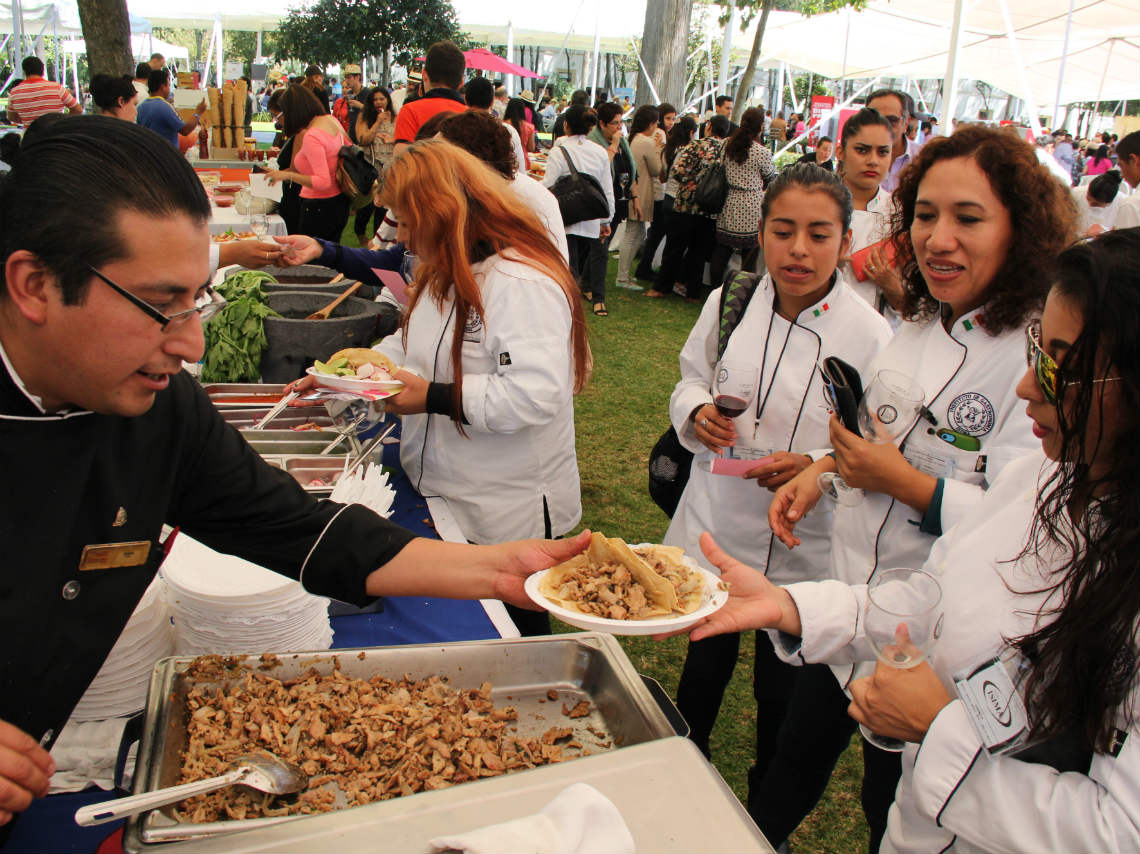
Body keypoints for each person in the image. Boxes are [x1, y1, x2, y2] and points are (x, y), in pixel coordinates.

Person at [0, 117, 593, 830]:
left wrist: (495, 571)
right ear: (34, 285)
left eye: (196, 301)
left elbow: (296, 528)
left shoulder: (162, 411)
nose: (190, 341)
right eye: (160, 306)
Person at [688, 227, 1140, 854]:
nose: (1028, 387)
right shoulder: (1042, 480)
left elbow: (1118, 831)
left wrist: (937, 730)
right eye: (1041, 351)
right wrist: (792, 605)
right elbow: (926, 598)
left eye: (1063, 366)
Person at [760, 125, 1077, 851]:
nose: (938, 239)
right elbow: (879, 434)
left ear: (1020, 228)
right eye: (926, 215)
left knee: (896, 803)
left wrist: (907, 485)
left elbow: (1027, 519)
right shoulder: (920, 324)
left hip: (928, 642)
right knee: (786, 774)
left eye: (968, 218)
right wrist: (824, 465)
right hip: (850, 600)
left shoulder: (1037, 358)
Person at [292, 140, 590, 636]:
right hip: (440, 493)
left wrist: (430, 397)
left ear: (445, 212)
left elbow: (534, 395)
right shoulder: (442, 270)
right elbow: (411, 344)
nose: (403, 239)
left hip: (502, 507)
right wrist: (354, 368)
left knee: (509, 631)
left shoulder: (520, 283)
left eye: (408, 223)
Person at [668, 163, 892, 806]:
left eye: (819, 234)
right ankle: (686, 758)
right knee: (705, 653)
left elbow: (878, 444)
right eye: (784, 231)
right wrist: (696, 413)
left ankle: (763, 799)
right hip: (718, 516)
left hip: (803, 539)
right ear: (760, 233)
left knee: (782, 676)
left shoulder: (870, 334)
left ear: (846, 242)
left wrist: (817, 464)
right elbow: (690, 377)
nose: (799, 250)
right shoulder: (730, 300)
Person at [542, 105, 614, 315]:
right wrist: (606, 220)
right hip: (592, 216)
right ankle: (582, 305)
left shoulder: (559, 151)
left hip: (566, 215)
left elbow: (548, 185)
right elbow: (606, 188)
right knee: (583, 263)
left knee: (569, 265)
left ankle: (568, 310)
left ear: (566, 125)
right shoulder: (600, 152)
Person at [653, 114, 729, 304]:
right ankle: (693, 293)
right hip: (710, 209)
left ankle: (662, 287)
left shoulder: (695, 145)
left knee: (674, 248)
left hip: (686, 205)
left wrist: (693, 184)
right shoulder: (728, 151)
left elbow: (677, 171)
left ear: (709, 126)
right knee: (699, 252)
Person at [835, 107, 903, 315]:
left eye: (883, 152)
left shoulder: (900, 214)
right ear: (841, 153)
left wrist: (890, 284)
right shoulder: (815, 203)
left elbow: (911, 306)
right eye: (862, 150)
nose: (873, 160)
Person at [265, 85, 351, 242]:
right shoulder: (330, 121)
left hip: (318, 207)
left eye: (280, 116)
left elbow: (323, 182)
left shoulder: (312, 136)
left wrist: (288, 175)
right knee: (330, 257)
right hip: (339, 202)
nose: (279, 121)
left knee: (312, 261)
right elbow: (348, 149)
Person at [708, 107, 775, 290]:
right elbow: (770, 177)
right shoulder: (761, 152)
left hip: (729, 201)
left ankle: (715, 289)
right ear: (760, 126)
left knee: (721, 252)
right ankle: (744, 292)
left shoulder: (726, 144)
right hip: (751, 205)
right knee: (749, 256)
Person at [584, 101, 638, 316]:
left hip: (618, 201)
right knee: (600, 249)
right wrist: (614, 145)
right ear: (602, 124)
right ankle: (599, 297)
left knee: (598, 248)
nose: (619, 127)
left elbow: (629, 170)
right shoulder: (594, 143)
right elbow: (601, 167)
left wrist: (634, 195)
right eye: (615, 123)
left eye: (621, 122)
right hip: (599, 202)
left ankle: (587, 284)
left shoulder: (622, 142)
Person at [640, 115, 696, 289]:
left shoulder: (669, 149)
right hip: (678, 200)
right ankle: (665, 281)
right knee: (674, 244)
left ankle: (653, 274)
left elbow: (663, 176)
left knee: (661, 239)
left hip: (666, 198)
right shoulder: (688, 151)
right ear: (692, 132)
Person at [616, 105, 661, 291]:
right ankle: (622, 277)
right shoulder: (646, 142)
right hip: (639, 192)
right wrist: (658, 149)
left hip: (633, 191)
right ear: (651, 124)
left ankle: (624, 275)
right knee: (632, 234)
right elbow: (657, 170)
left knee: (637, 233)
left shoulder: (632, 139)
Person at [393, 41, 466, 151]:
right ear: (461, 82)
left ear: (424, 75)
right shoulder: (472, 119)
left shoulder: (410, 112)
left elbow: (401, 161)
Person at [353, 86, 398, 245]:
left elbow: (402, 140)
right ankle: (362, 236)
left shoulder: (396, 117)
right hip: (370, 168)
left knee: (383, 207)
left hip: (389, 169)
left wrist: (391, 140)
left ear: (387, 100)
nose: (379, 102)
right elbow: (363, 139)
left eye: (382, 99)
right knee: (365, 208)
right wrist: (377, 122)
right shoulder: (364, 117)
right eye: (375, 99)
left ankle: (378, 243)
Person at [464, 77, 526, 175]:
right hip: (498, 186)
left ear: (465, 100)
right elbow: (520, 172)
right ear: (492, 101)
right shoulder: (508, 131)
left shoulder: (451, 129)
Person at [136, 69, 206, 149]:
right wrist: (198, 112)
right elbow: (185, 130)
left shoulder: (141, 107)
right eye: (169, 85)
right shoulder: (164, 107)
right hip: (165, 155)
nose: (169, 89)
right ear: (162, 87)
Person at [866, 88, 918, 193]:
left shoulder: (924, 159)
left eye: (892, 120)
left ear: (906, 123)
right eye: (874, 119)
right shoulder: (854, 159)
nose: (883, 127)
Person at [5, 57, 81, 126]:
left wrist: (29, 122)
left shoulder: (15, 92)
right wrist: (62, 121)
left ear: (24, 71)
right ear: (43, 71)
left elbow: (11, 117)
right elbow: (78, 110)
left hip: (31, 137)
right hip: (56, 135)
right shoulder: (57, 88)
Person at [1072, 170, 1126, 237]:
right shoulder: (1075, 194)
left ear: (1109, 202)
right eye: (1088, 198)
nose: (1090, 204)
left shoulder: (1123, 203)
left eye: (1096, 204)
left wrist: (1105, 232)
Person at [1111, 131, 1140, 229]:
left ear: (1133, 160)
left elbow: (1125, 244)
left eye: (1121, 166)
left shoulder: (1132, 205)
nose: (1122, 175)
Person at [335, 64, 366, 141]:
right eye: (345, 78)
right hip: (351, 137)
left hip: (364, 136)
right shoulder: (349, 94)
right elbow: (351, 118)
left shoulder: (368, 93)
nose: (346, 80)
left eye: (349, 77)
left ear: (357, 77)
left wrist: (360, 106)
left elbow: (374, 113)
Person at [504, 97, 537, 170]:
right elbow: (531, 148)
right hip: (523, 162)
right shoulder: (529, 127)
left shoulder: (503, 125)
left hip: (506, 161)